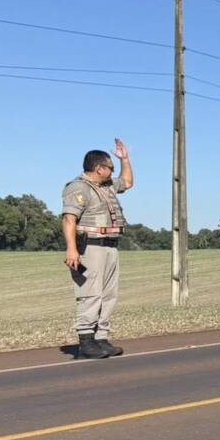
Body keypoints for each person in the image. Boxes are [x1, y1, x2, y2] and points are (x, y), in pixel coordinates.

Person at [60, 139, 134, 359]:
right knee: (90, 293)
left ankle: (101, 337)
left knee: (108, 295)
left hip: (110, 245)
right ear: (99, 168)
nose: (113, 171)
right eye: (111, 167)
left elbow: (128, 182)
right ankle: (86, 340)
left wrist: (125, 159)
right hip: (90, 247)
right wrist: (71, 250)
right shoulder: (78, 187)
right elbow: (68, 219)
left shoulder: (107, 185)